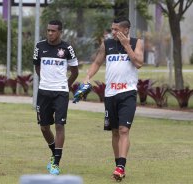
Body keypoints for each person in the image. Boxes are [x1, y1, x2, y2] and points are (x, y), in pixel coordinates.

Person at [83, 17, 144, 181]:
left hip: (128, 93)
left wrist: (126, 46)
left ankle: (121, 166)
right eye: (112, 29)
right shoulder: (107, 44)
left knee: (124, 130)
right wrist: (87, 76)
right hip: (110, 94)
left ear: (126, 30)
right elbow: (97, 62)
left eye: (116, 29)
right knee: (115, 131)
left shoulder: (137, 42)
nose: (113, 32)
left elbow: (139, 63)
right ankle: (119, 166)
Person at [33, 20, 79, 175]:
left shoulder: (67, 48)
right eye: (48, 30)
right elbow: (37, 66)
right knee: (44, 127)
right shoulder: (39, 46)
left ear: (60, 32)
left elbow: (75, 71)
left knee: (60, 125)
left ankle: (56, 163)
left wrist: (65, 85)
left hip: (60, 93)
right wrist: (45, 80)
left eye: (53, 31)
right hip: (44, 92)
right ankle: (54, 152)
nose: (50, 33)